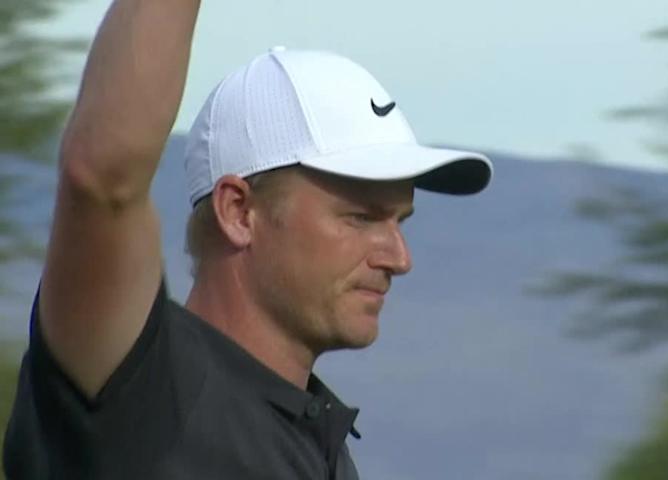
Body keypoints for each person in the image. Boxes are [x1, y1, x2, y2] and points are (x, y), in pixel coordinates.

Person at [2, 1, 492, 479]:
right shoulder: (141, 382)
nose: (399, 259)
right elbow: (102, 175)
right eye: (361, 217)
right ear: (238, 211)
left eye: (399, 222)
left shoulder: (322, 448)